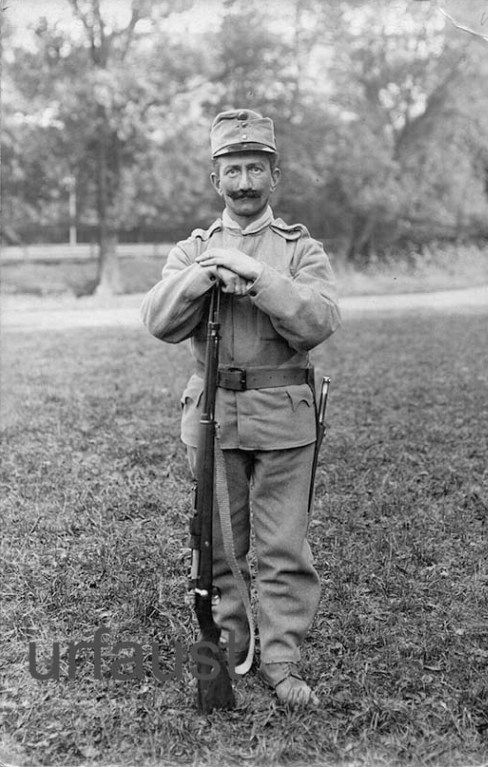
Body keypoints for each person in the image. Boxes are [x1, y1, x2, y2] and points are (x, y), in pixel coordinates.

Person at [141, 109, 341, 707]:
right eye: (233, 170)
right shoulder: (192, 250)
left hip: (283, 413)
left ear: (275, 176)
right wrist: (203, 276)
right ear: (215, 179)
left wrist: (257, 276)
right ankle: (229, 650)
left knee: (284, 547)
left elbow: (319, 321)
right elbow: (158, 320)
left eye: (257, 168)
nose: (245, 182)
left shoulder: (301, 249)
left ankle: (280, 662)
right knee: (219, 545)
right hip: (212, 413)